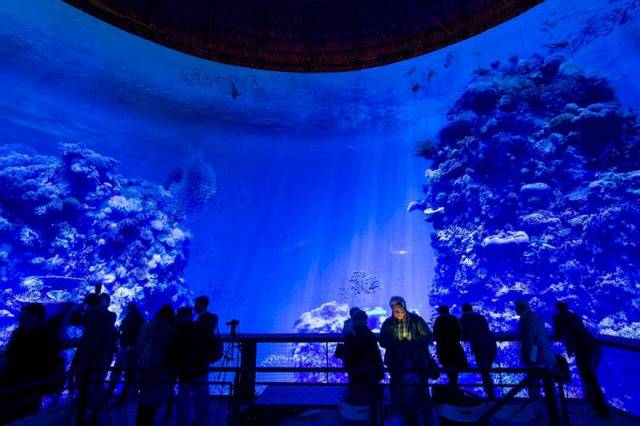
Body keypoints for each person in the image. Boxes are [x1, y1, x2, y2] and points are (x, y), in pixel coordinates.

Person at [0, 303, 62, 423]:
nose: (20, 318)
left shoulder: (47, 336)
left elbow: (48, 361)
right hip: (11, 380)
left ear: (35, 316)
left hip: (31, 384)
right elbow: (9, 354)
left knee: (25, 415)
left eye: (24, 315)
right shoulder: (18, 333)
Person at [379, 296, 434, 426]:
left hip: (417, 362)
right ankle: (402, 414)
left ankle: (424, 416)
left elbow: (429, 337)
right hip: (396, 362)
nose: (397, 309)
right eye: (394, 307)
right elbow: (382, 341)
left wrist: (412, 343)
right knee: (398, 388)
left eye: (399, 306)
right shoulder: (388, 323)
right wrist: (395, 344)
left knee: (421, 388)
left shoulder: (416, 320)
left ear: (404, 305)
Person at [553, 302, 610, 418]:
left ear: (558, 309)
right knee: (591, 378)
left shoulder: (558, 317)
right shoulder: (575, 316)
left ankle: (603, 410)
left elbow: (558, 335)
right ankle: (595, 405)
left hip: (583, 350)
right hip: (594, 347)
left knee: (590, 379)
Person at [71, 291, 117, 426]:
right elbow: (75, 319)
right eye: (99, 300)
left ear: (108, 303)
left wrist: (94, 303)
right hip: (84, 356)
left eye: (103, 300)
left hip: (98, 358)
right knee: (82, 390)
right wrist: (85, 304)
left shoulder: (110, 316)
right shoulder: (91, 313)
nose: (100, 302)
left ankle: (97, 419)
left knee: (95, 390)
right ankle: (81, 419)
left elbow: (103, 322)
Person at [173, 311, 220, 426]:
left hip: (184, 372)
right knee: (201, 403)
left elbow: (176, 348)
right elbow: (215, 354)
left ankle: (183, 423)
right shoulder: (208, 335)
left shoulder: (186, 330)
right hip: (199, 373)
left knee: (183, 401)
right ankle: (200, 423)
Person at [136, 305, 177, 426]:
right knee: (155, 399)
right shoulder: (169, 331)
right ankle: (149, 421)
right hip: (160, 369)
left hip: (143, 367)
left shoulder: (145, 327)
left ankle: (141, 422)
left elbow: (139, 345)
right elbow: (171, 350)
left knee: (144, 397)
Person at [343, 310, 384, 424]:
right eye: (360, 319)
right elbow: (376, 353)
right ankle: (371, 420)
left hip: (359, 373)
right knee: (370, 400)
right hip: (367, 373)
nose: (362, 321)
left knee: (359, 400)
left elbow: (347, 355)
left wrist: (348, 368)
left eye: (362, 319)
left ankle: (359, 420)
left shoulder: (351, 335)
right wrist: (379, 369)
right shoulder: (367, 334)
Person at [514, 300, 555, 399]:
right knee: (548, 380)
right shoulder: (536, 316)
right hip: (545, 352)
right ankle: (551, 403)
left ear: (521, 308)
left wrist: (531, 359)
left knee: (533, 380)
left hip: (536, 354)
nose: (515, 310)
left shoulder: (525, 320)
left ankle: (535, 402)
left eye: (516, 307)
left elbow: (529, 341)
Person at [109, 302, 146, 404]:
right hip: (123, 349)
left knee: (128, 373)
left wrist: (133, 347)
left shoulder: (139, 321)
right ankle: (110, 391)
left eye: (128, 309)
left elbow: (141, 336)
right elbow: (121, 330)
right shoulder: (127, 319)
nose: (127, 311)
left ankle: (124, 395)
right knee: (117, 370)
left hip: (132, 351)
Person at [460, 303, 497, 399]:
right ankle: (492, 395)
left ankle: (491, 396)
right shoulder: (480, 317)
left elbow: (464, 335)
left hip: (479, 348)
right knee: (487, 371)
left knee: (484, 372)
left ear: (463, 310)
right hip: (491, 345)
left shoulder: (463, 320)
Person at [433, 306, 468, 388]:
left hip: (443, 348)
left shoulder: (438, 320)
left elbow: (435, 333)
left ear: (440, 312)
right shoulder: (453, 318)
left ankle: (453, 388)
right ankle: (454, 387)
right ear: (448, 311)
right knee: (455, 368)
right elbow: (459, 331)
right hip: (454, 347)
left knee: (448, 367)